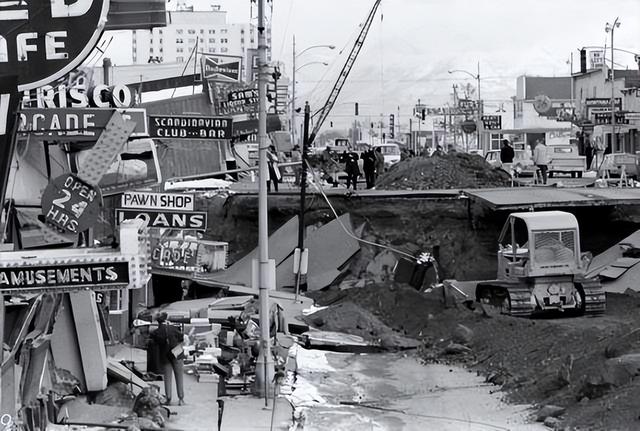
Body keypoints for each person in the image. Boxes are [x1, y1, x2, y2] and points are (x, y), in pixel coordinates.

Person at [149, 312, 185, 405]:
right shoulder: (173, 328)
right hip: (177, 352)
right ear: (166, 319)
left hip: (165, 354)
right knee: (179, 376)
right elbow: (181, 338)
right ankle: (181, 399)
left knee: (167, 377)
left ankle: (168, 398)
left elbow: (153, 343)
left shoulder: (156, 332)